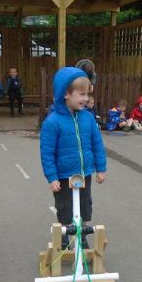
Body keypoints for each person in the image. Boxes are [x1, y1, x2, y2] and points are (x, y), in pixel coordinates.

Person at [40, 67, 106, 250]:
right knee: (65, 209)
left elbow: (97, 144)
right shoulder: (52, 122)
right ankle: (64, 236)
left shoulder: (88, 118)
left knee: (84, 207)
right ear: (66, 94)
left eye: (87, 94)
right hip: (63, 176)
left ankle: (81, 235)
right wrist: (51, 177)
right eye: (81, 94)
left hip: (84, 174)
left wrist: (100, 169)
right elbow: (47, 152)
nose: (86, 99)